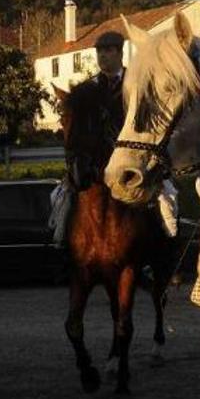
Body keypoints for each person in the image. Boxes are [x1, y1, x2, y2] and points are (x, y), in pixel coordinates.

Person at [51, 31, 178, 246]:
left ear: (120, 53)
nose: (103, 56)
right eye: (99, 51)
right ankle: (61, 244)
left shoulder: (138, 85)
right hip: (96, 161)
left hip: (133, 155)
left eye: (108, 51)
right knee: (60, 197)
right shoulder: (86, 89)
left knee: (167, 199)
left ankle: (166, 252)